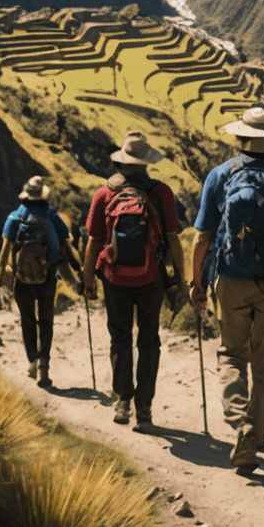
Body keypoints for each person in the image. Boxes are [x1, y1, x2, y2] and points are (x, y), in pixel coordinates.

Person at [191, 106, 264, 471]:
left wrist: (198, 282)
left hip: (231, 277)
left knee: (232, 354)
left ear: (240, 136)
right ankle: (257, 430)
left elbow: (201, 237)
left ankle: (240, 424)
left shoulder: (221, 175)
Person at [81, 131, 186, 429]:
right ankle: (145, 408)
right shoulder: (161, 192)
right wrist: (180, 280)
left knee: (120, 337)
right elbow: (173, 241)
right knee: (149, 340)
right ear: (146, 163)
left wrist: (88, 279)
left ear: (122, 162)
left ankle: (123, 400)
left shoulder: (105, 194)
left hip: (115, 278)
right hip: (152, 276)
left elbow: (94, 241)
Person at [0, 175, 77, 388]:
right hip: (48, 278)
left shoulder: (15, 217)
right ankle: (43, 368)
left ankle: (32, 361)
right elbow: (66, 247)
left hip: (22, 279)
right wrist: (78, 275)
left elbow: (5, 251)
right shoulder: (52, 216)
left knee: (28, 320)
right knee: (46, 323)